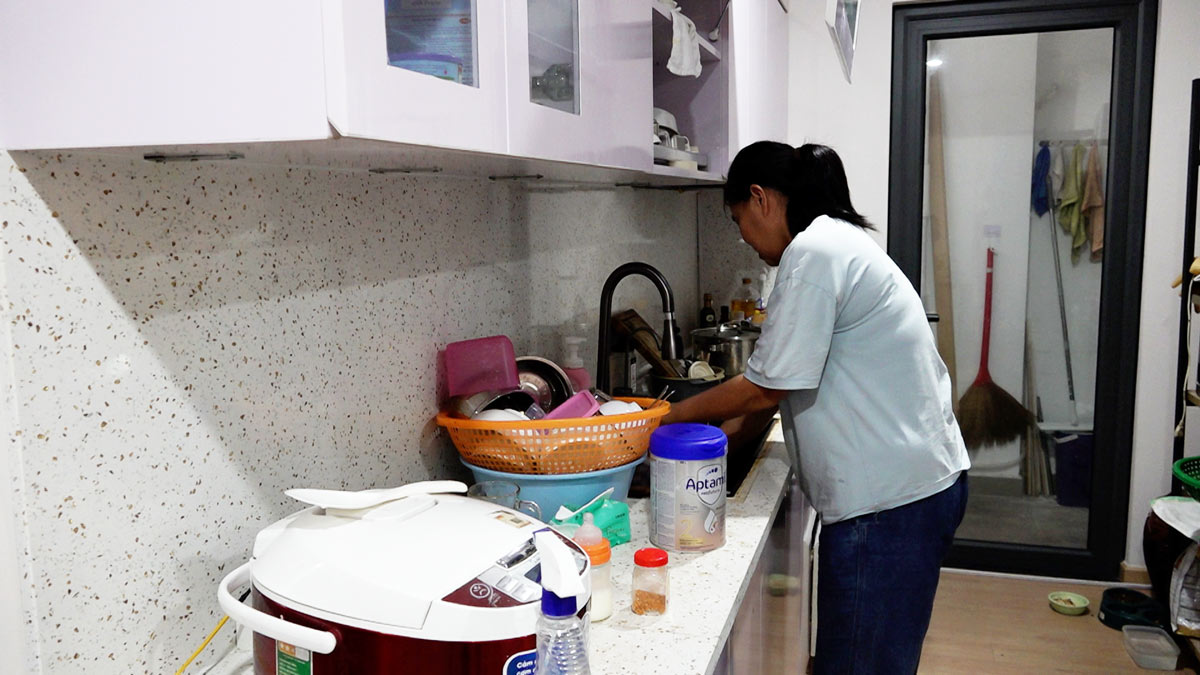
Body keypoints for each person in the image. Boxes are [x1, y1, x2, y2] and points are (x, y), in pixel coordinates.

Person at [662, 141, 970, 674]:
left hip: (887, 507)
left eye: (739, 220)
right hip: (909, 491)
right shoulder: (836, 242)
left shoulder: (814, 252)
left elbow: (765, 387)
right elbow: (775, 384)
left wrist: (662, 420)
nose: (743, 237)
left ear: (759, 198)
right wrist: (719, 451)